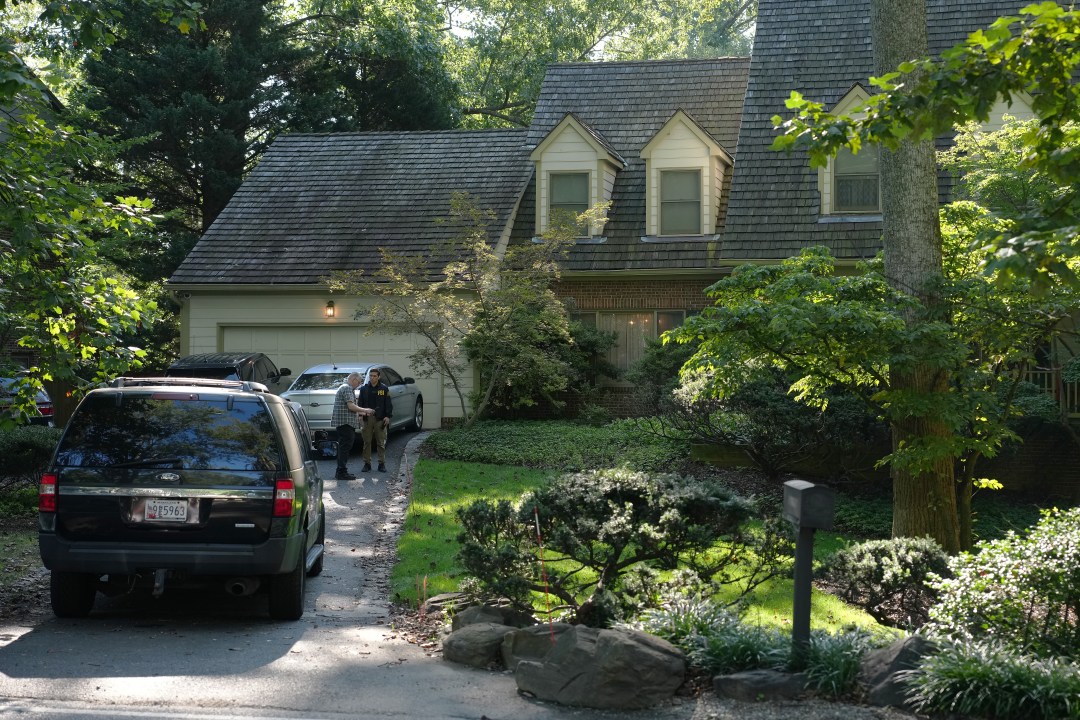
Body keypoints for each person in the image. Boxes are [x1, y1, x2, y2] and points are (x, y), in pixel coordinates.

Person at [331, 372, 371, 480]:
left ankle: (341, 471)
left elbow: (349, 408)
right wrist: (365, 410)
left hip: (344, 423)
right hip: (345, 423)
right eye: (359, 382)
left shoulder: (345, 388)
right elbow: (351, 406)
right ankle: (341, 472)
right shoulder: (347, 388)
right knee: (344, 448)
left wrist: (363, 413)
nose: (359, 385)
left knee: (344, 447)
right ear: (354, 380)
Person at [358, 367, 392, 472]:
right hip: (367, 418)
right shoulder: (364, 389)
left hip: (380, 418)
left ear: (378, 377)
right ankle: (367, 463)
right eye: (371, 376)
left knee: (381, 442)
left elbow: (388, 403)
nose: (372, 378)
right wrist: (360, 417)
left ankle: (381, 464)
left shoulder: (383, 388)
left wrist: (388, 416)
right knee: (367, 442)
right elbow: (360, 404)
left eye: (374, 376)